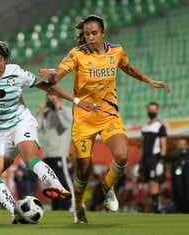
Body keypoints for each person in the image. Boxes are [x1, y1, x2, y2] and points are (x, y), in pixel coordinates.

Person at [0, 35, 99, 224]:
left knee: (29, 158)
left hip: (21, 123)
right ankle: (16, 212)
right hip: (1, 133)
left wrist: (77, 101)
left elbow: (49, 88)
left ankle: (57, 186)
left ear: (5, 60)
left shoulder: (16, 72)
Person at [40, 14, 170, 223]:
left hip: (109, 116)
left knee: (122, 155)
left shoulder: (116, 52)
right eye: (86, 34)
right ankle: (79, 207)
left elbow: (128, 68)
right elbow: (54, 81)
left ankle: (108, 188)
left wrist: (150, 80)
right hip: (83, 120)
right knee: (83, 170)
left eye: (94, 33)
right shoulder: (77, 54)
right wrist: (53, 75)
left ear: (103, 33)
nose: (90, 37)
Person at [37, 93, 74, 211]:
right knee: (52, 183)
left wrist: (57, 110)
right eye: (49, 100)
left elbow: (65, 125)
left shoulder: (67, 111)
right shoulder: (47, 114)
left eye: (53, 99)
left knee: (63, 180)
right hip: (47, 154)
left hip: (59, 153)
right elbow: (37, 127)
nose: (51, 102)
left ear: (59, 99)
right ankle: (57, 206)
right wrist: (40, 112)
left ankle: (71, 205)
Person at [140, 102, 168, 213]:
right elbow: (143, 145)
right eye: (150, 109)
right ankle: (155, 205)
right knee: (149, 184)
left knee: (154, 183)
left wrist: (161, 160)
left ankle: (157, 207)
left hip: (155, 158)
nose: (152, 111)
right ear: (147, 111)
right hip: (146, 159)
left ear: (157, 111)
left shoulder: (160, 126)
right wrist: (139, 162)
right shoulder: (145, 127)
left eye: (154, 109)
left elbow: (164, 144)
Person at [171, 138, 189, 213]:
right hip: (178, 191)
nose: (181, 147)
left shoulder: (187, 158)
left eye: (183, 145)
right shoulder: (175, 160)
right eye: (179, 145)